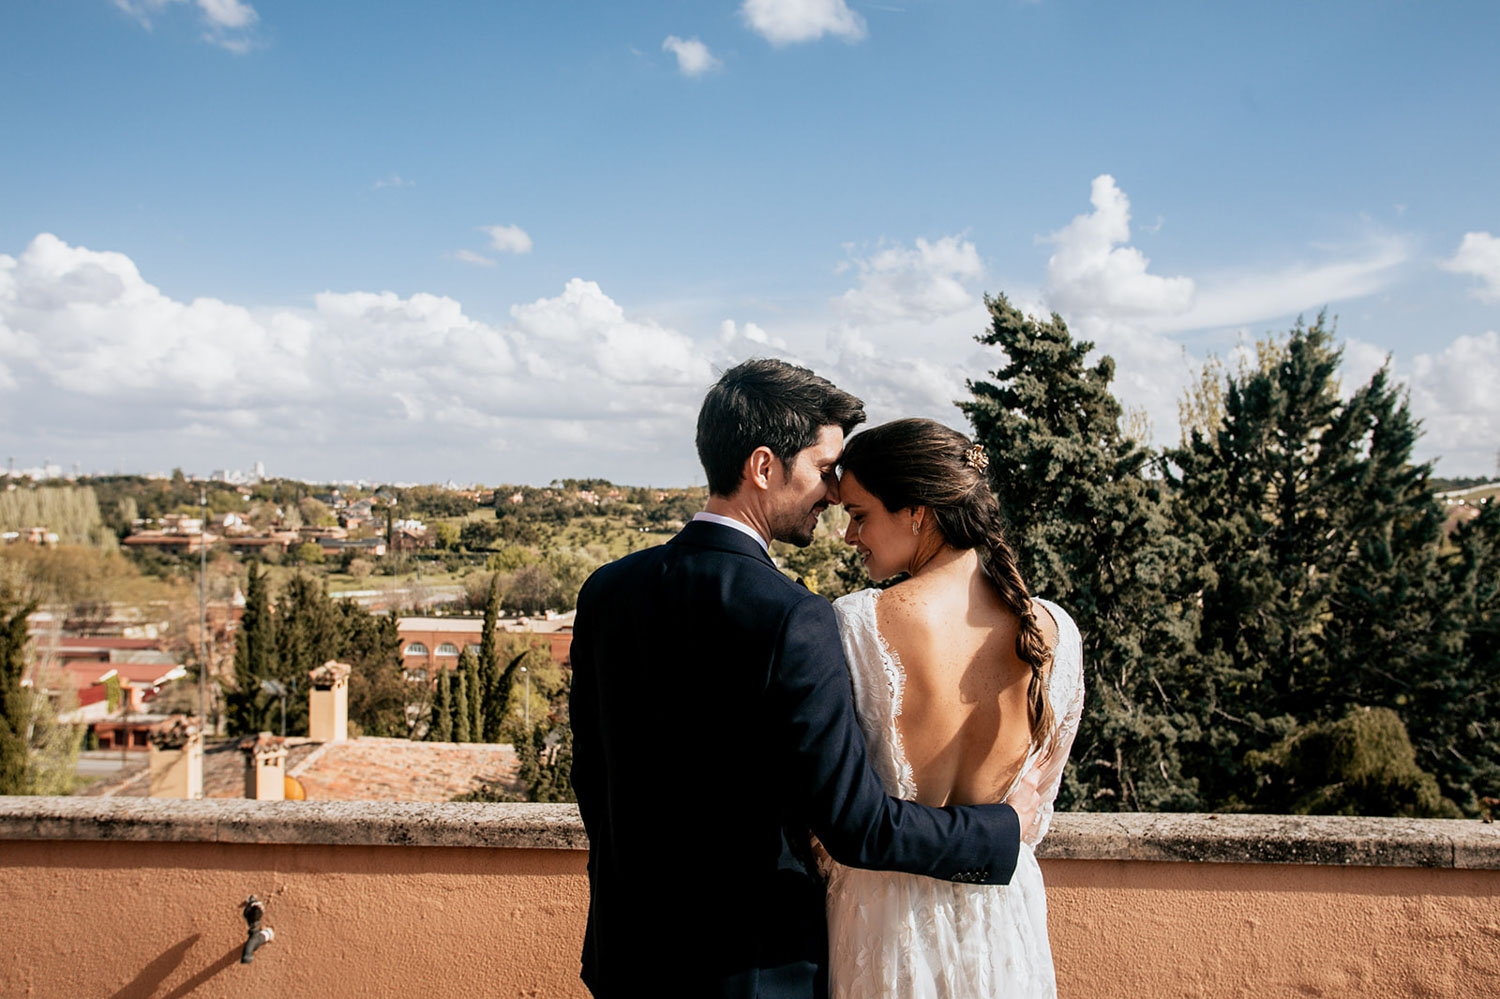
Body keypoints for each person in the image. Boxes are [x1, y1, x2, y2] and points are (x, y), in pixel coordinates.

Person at [569, 360, 1040, 999]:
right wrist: (999, 830)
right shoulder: (795, 617)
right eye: (823, 471)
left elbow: (593, 778)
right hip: (755, 971)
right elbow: (855, 823)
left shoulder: (607, 590)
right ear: (763, 468)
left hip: (626, 958)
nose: (832, 491)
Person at [825, 418, 1085, 999]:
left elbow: (834, 816)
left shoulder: (855, 626)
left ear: (917, 512)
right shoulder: (1055, 631)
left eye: (859, 514)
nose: (848, 536)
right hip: (1005, 922)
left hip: (885, 926)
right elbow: (1031, 820)